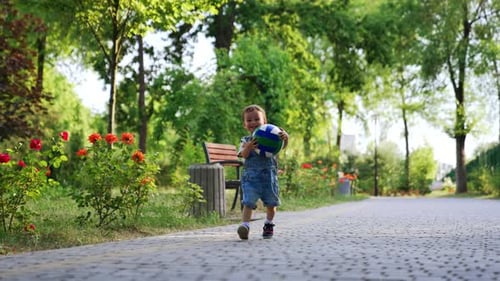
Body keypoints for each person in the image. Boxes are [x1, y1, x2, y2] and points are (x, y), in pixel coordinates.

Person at [237, 104, 288, 240]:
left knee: (271, 203)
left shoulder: (273, 136)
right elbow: (244, 155)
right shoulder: (245, 140)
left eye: (256, 119)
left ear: (264, 122)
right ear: (245, 124)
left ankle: (269, 223)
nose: (253, 122)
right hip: (251, 178)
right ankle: (245, 225)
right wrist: (248, 147)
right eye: (249, 120)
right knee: (248, 202)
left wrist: (285, 138)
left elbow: (281, 147)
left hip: (269, 177)